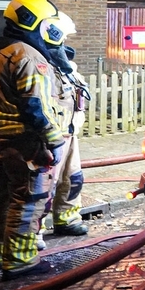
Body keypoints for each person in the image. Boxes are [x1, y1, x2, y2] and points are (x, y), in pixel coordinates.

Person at [0, 0, 68, 279]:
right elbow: (35, 106)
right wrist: (55, 141)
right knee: (28, 199)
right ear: (35, 23)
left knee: (1, 198)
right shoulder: (27, 55)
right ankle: (20, 260)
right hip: (22, 141)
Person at [45, 12, 90, 237]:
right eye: (63, 38)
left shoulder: (64, 66)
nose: (64, 43)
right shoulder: (41, 66)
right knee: (45, 184)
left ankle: (67, 219)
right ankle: (35, 231)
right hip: (51, 136)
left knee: (72, 179)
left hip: (70, 133)